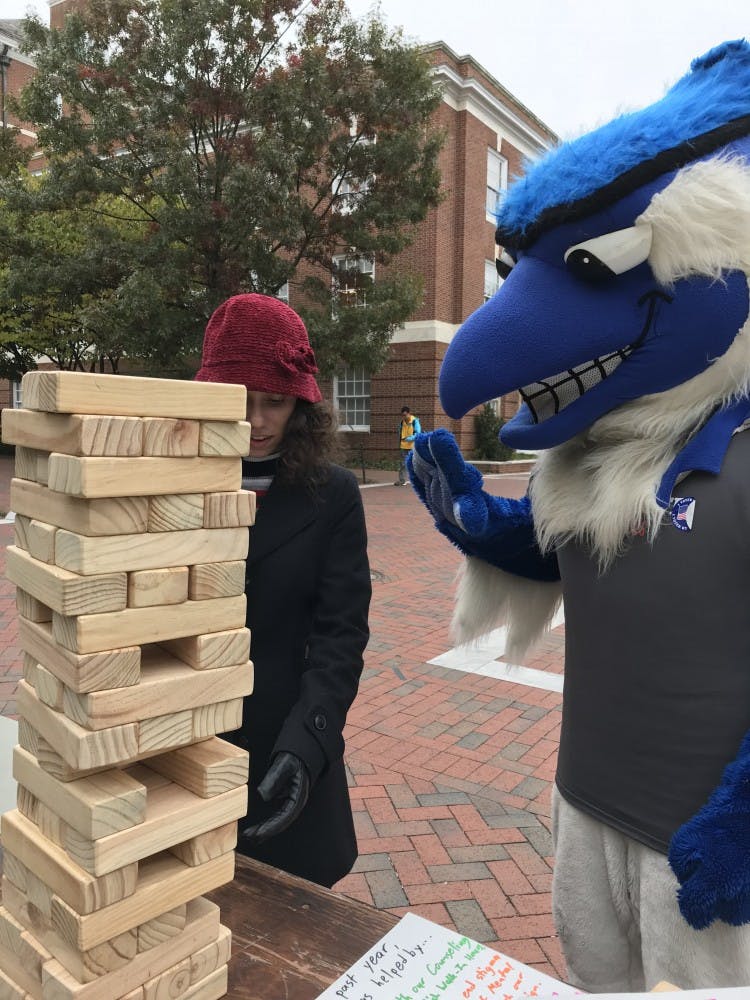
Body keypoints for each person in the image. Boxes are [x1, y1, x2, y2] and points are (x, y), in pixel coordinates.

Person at [195, 293, 371, 888]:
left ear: (302, 402)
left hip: (283, 739)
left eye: (275, 401)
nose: (258, 420)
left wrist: (309, 744)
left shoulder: (334, 494)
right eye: (241, 399)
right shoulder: (171, 483)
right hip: (187, 743)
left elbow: (339, 636)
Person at [396, 405, 421, 485]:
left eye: (405, 415)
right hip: (403, 446)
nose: (404, 417)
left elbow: (418, 434)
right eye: (403, 415)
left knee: (414, 463)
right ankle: (402, 480)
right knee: (403, 464)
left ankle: (418, 480)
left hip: (412, 446)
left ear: (409, 413)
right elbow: (400, 432)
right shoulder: (402, 422)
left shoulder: (415, 421)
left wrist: (408, 439)